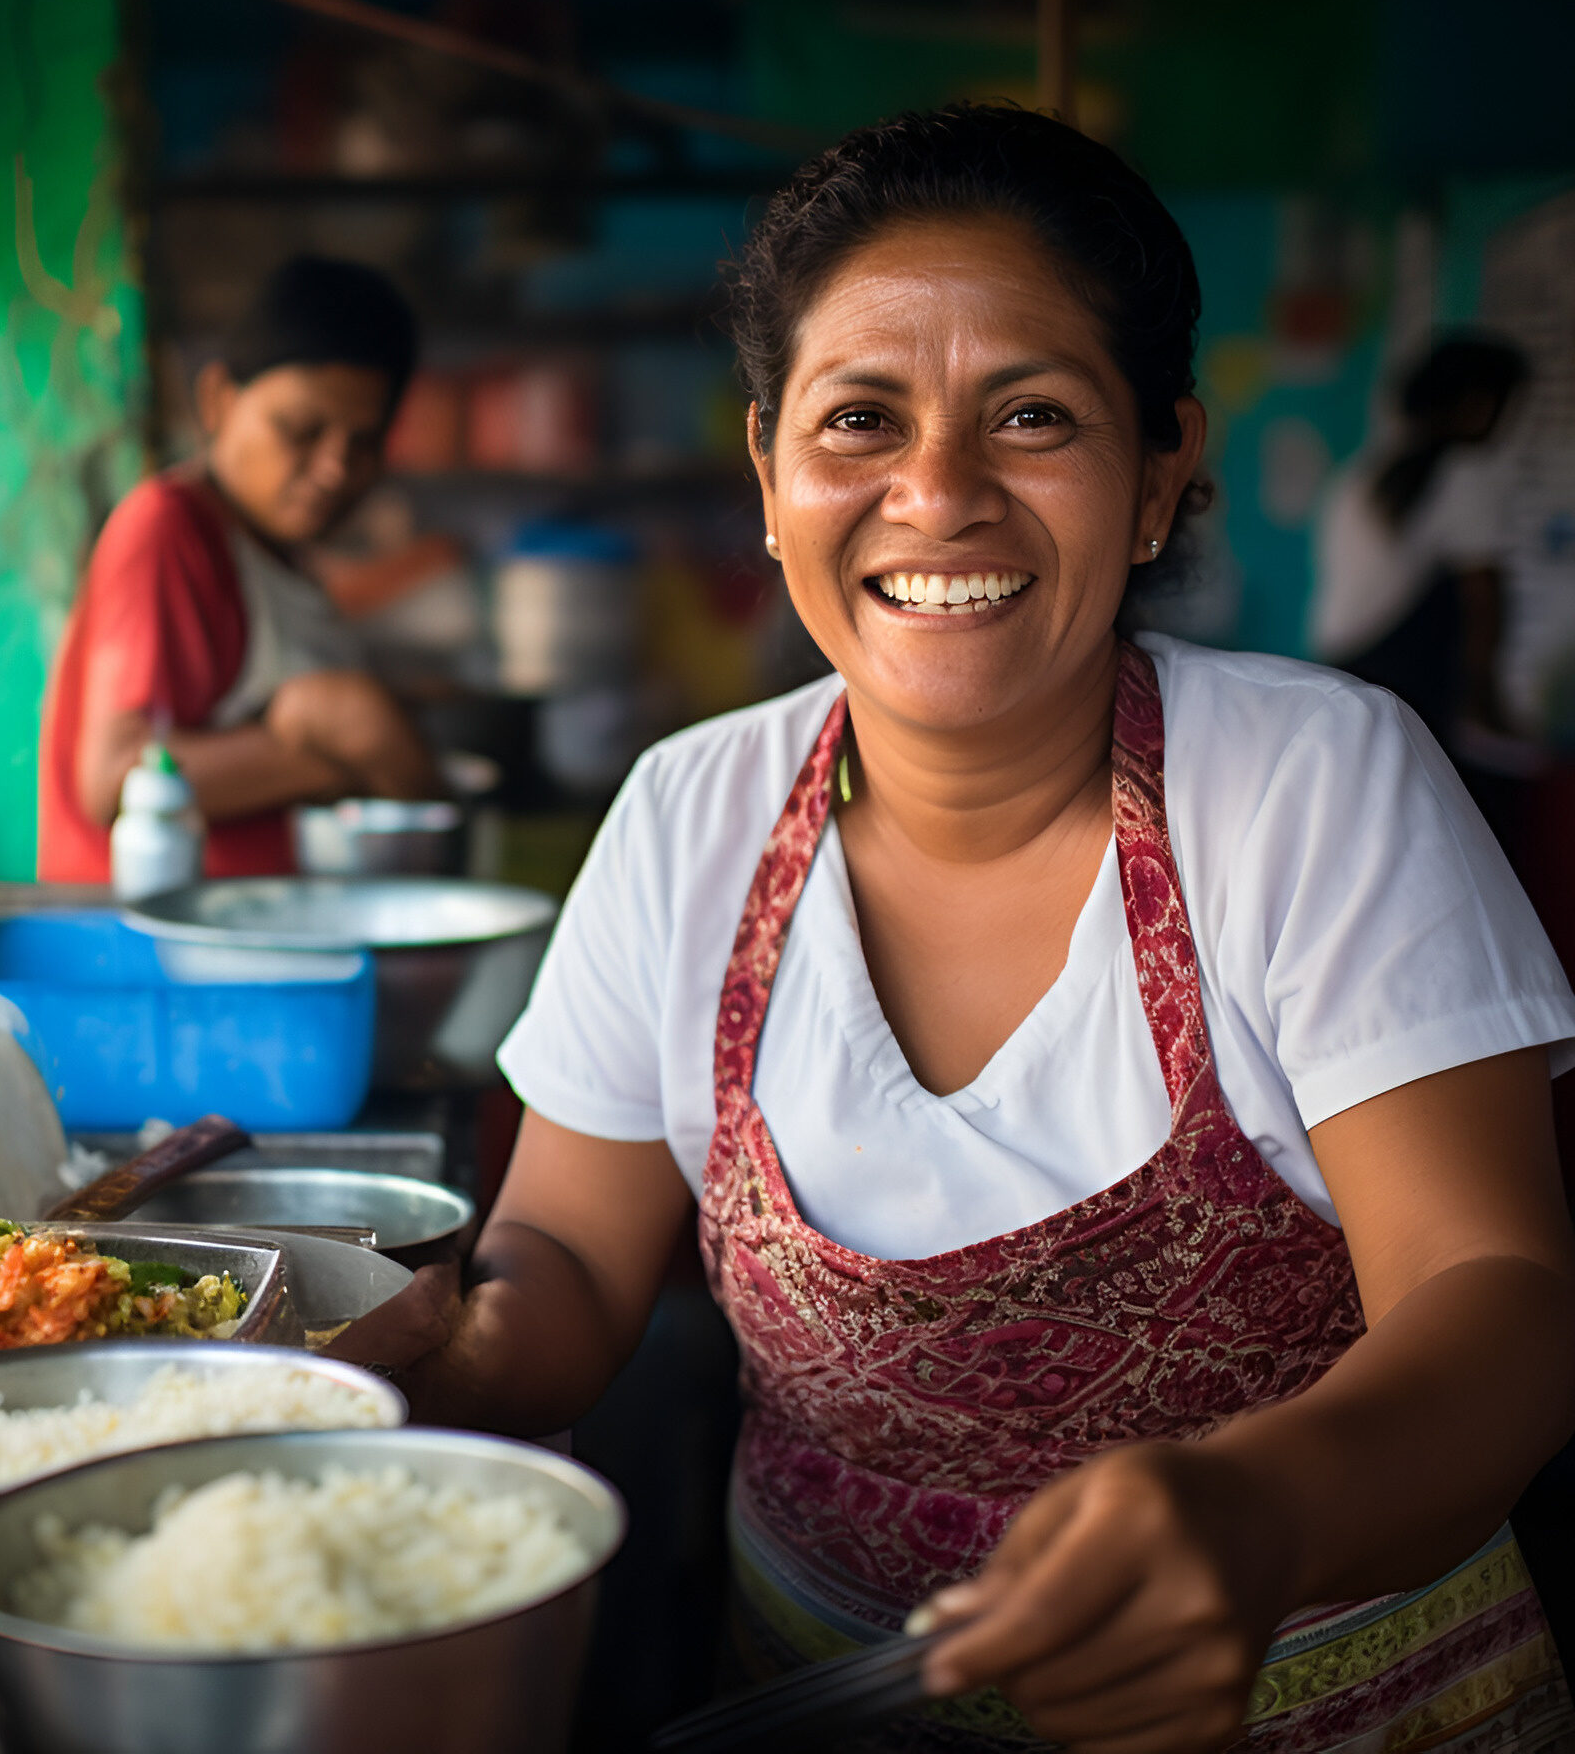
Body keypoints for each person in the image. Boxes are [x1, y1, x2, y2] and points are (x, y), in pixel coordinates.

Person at [334, 106, 1575, 1753]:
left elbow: (1493, 1295)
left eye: (1035, 415)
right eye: (861, 421)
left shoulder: (1311, 784)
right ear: (770, 477)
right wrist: (401, 1372)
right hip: (820, 1700)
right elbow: (564, 1250)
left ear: (1156, 479)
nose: (937, 493)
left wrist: (1261, 1516)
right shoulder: (687, 814)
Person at [37, 256, 440, 882]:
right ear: (219, 399)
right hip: (160, 956)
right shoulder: (169, 530)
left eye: (363, 444)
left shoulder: (285, 558)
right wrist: (341, 747)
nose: (335, 468)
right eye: (302, 430)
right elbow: (114, 776)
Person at [1309, 335, 1530, 749]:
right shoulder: (1464, 473)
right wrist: (1485, 702)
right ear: (1476, 404)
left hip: (1341, 666)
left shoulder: (1362, 472)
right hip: (1403, 681)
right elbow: (1482, 597)